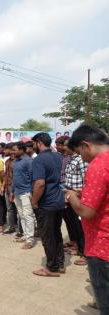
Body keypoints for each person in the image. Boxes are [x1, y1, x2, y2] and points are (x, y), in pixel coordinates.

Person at [65, 125, 109, 313]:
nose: (81, 158)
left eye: (79, 153)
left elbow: (87, 212)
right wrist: (85, 192)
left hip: (102, 244)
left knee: (104, 294)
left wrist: (71, 196)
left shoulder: (98, 166)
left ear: (86, 145)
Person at [30, 133, 65, 277]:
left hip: (46, 203)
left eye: (33, 143)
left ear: (38, 143)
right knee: (56, 233)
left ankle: (52, 268)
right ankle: (60, 263)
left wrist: (34, 201)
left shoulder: (39, 159)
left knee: (47, 236)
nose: (32, 147)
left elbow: (40, 183)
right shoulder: (58, 156)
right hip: (58, 201)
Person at [63, 137, 88, 266]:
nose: (63, 148)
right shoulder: (71, 159)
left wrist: (80, 194)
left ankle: (85, 254)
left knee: (80, 227)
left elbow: (86, 179)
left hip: (78, 196)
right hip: (70, 195)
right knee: (74, 225)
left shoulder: (81, 160)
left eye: (66, 146)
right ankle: (78, 248)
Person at [10, 142, 35, 249]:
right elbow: (14, 178)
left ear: (22, 150)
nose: (12, 152)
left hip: (26, 193)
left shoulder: (29, 161)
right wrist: (12, 191)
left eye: (14, 150)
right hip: (17, 192)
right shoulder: (15, 162)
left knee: (28, 215)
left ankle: (30, 239)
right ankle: (25, 235)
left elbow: (32, 178)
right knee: (21, 215)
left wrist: (31, 193)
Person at [1, 143, 18, 234]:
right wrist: (3, 186)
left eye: (5, 149)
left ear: (10, 150)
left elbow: (16, 177)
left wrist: (13, 190)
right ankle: (11, 227)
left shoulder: (18, 161)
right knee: (10, 209)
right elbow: (6, 175)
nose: (4, 151)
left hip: (15, 187)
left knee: (19, 210)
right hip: (7, 187)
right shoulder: (7, 161)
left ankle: (21, 230)